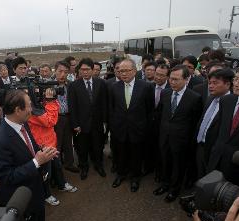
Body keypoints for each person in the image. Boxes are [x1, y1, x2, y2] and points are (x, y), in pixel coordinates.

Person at [0, 90, 58, 221]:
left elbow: (31, 148)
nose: (32, 109)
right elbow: (6, 176)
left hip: (36, 187)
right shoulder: (0, 140)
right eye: (29, 106)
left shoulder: (22, 123)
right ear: (18, 110)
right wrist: (37, 162)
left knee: (39, 218)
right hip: (21, 195)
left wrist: (43, 151)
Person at [154, 65, 202, 202]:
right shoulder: (166, 93)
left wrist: (190, 142)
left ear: (186, 79)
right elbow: (160, 114)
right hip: (164, 137)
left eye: (176, 79)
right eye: (171, 79)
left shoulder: (194, 98)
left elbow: (195, 123)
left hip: (182, 141)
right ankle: (165, 184)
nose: (172, 82)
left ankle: (174, 190)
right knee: (165, 162)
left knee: (178, 166)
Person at [109, 59, 154, 192]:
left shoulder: (146, 87)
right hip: (120, 128)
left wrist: (144, 126)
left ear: (134, 71)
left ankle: (135, 178)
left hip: (138, 128)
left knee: (136, 155)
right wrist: (114, 125)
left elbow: (149, 109)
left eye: (126, 70)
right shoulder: (114, 87)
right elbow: (112, 109)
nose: (123, 74)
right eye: (120, 71)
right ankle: (121, 174)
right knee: (121, 154)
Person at [27, 88, 78, 206]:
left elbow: (52, 112)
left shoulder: (39, 104)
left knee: (58, 166)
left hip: (50, 143)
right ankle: (46, 194)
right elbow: (51, 121)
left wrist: (49, 101)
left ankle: (62, 184)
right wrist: (50, 100)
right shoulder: (30, 111)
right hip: (42, 147)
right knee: (46, 173)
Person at [68, 58, 108, 180]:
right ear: (79, 70)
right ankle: (84, 167)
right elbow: (72, 106)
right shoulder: (74, 86)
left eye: (87, 69)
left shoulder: (101, 83)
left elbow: (104, 103)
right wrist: (75, 124)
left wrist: (105, 121)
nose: (85, 72)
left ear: (92, 70)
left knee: (97, 146)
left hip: (97, 123)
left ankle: (99, 165)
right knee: (82, 148)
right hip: (81, 124)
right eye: (82, 70)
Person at [195, 68, 234, 179]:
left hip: (215, 151)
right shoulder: (210, 99)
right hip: (200, 146)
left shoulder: (233, 104)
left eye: (215, 83)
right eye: (209, 83)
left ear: (227, 84)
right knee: (200, 176)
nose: (210, 86)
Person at [54, 61, 78, 173]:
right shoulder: (48, 85)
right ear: (55, 71)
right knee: (56, 145)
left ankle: (69, 163)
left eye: (65, 72)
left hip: (68, 117)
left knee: (68, 142)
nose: (63, 74)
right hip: (55, 119)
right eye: (60, 71)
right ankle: (57, 168)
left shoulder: (71, 84)